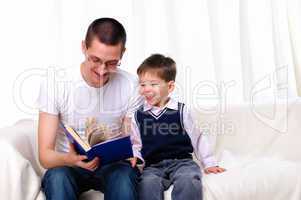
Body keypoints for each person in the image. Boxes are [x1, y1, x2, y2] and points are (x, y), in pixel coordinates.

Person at [37, 18, 143, 200]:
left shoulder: (131, 85)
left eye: (111, 63)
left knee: (124, 178)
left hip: (114, 166)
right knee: (57, 178)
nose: (102, 70)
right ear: (83, 47)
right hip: (69, 166)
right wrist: (69, 159)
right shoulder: (56, 84)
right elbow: (45, 156)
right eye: (95, 59)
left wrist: (135, 154)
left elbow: (131, 139)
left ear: (123, 54)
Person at [131, 54, 226, 200]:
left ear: (170, 87)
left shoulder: (181, 111)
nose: (146, 89)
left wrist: (209, 163)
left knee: (189, 180)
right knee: (147, 184)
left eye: (153, 84)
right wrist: (136, 159)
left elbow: (198, 137)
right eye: (143, 84)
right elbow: (136, 144)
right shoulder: (138, 115)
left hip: (182, 162)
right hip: (152, 166)